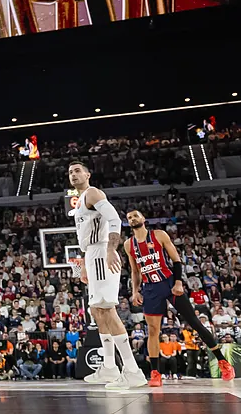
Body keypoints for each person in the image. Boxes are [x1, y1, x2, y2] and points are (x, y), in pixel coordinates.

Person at [125, 208, 234, 385]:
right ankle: (155, 373)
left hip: (168, 282)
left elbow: (176, 260)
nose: (132, 219)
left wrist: (177, 282)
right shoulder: (129, 244)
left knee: (194, 322)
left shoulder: (158, 235)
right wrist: (135, 291)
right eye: (129, 217)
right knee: (153, 331)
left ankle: (223, 362)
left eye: (135, 215)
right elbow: (134, 271)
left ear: (143, 218)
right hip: (150, 288)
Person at [67, 162, 145, 389]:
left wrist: (111, 249)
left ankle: (132, 371)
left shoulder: (93, 193)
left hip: (102, 252)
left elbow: (113, 218)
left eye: (77, 171)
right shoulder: (80, 201)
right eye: (70, 172)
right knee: (96, 310)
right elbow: (86, 234)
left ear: (88, 174)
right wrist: (83, 262)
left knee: (107, 309)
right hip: (92, 255)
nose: (73, 174)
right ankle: (109, 367)